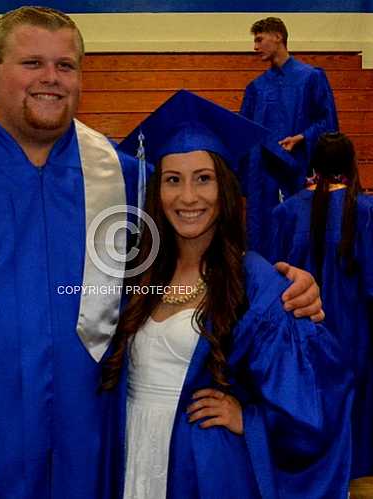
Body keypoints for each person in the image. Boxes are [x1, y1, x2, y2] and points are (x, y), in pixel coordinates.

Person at [0, 7, 323, 499]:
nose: (50, 79)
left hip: (90, 454)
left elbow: (198, 251)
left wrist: (282, 285)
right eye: (32, 63)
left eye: (65, 66)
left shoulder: (125, 176)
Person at [104, 90, 353, 499]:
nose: (188, 197)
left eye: (204, 178)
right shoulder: (139, 273)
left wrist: (250, 420)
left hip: (200, 471)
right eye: (172, 180)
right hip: (131, 453)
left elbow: (318, 398)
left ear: (224, 187)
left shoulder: (254, 279)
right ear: (156, 190)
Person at [270, 132, 373, 480]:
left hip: (301, 336)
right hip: (352, 333)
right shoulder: (365, 210)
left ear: (313, 165)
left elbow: (273, 280)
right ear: (349, 165)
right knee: (350, 414)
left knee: (307, 414)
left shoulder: (286, 211)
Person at [240, 16, 338, 257]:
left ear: (278, 37)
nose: (255, 47)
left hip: (299, 168)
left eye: (259, 40)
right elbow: (244, 132)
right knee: (263, 229)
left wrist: (303, 137)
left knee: (299, 233)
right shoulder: (256, 87)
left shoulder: (310, 77)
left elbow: (328, 122)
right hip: (262, 174)